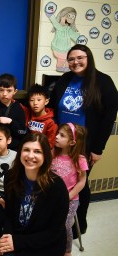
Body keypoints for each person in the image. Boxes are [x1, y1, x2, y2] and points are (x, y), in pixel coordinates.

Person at [47, 44, 118, 235]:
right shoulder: (65, 79)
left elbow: (109, 117)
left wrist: (98, 149)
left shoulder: (103, 81)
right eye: (71, 59)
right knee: (60, 177)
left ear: (88, 58)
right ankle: (57, 216)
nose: (75, 62)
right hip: (61, 141)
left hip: (83, 145)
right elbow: (52, 104)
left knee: (80, 182)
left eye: (80, 58)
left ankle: (80, 223)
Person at [0, 133, 69, 256]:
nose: (30, 155)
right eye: (26, 150)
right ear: (20, 152)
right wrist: (6, 239)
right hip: (19, 236)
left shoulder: (57, 186)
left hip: (45, 244)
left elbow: (54, 232)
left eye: (37, 151)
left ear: (45, 156)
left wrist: (16, 242)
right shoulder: (11, 177)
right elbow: (9, 215)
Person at [52, 123, 88, 256]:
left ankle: (67, 251)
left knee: (65, 225)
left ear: (72, 142)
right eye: (57, 133)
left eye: (61, 135)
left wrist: (68, 196)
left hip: (71, 199)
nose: (56, 137)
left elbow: (82, 181)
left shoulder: (80, 159)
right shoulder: (52, 154)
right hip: (53, 198)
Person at [23, 84, 58, 148]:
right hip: (27, 147)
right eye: (32, 100)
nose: (35, 103)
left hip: (41, 150)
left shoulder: (51, 122)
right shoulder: (28, 112)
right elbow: (13, 102)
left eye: (39, 100)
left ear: (46, 101)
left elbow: (50, 144)